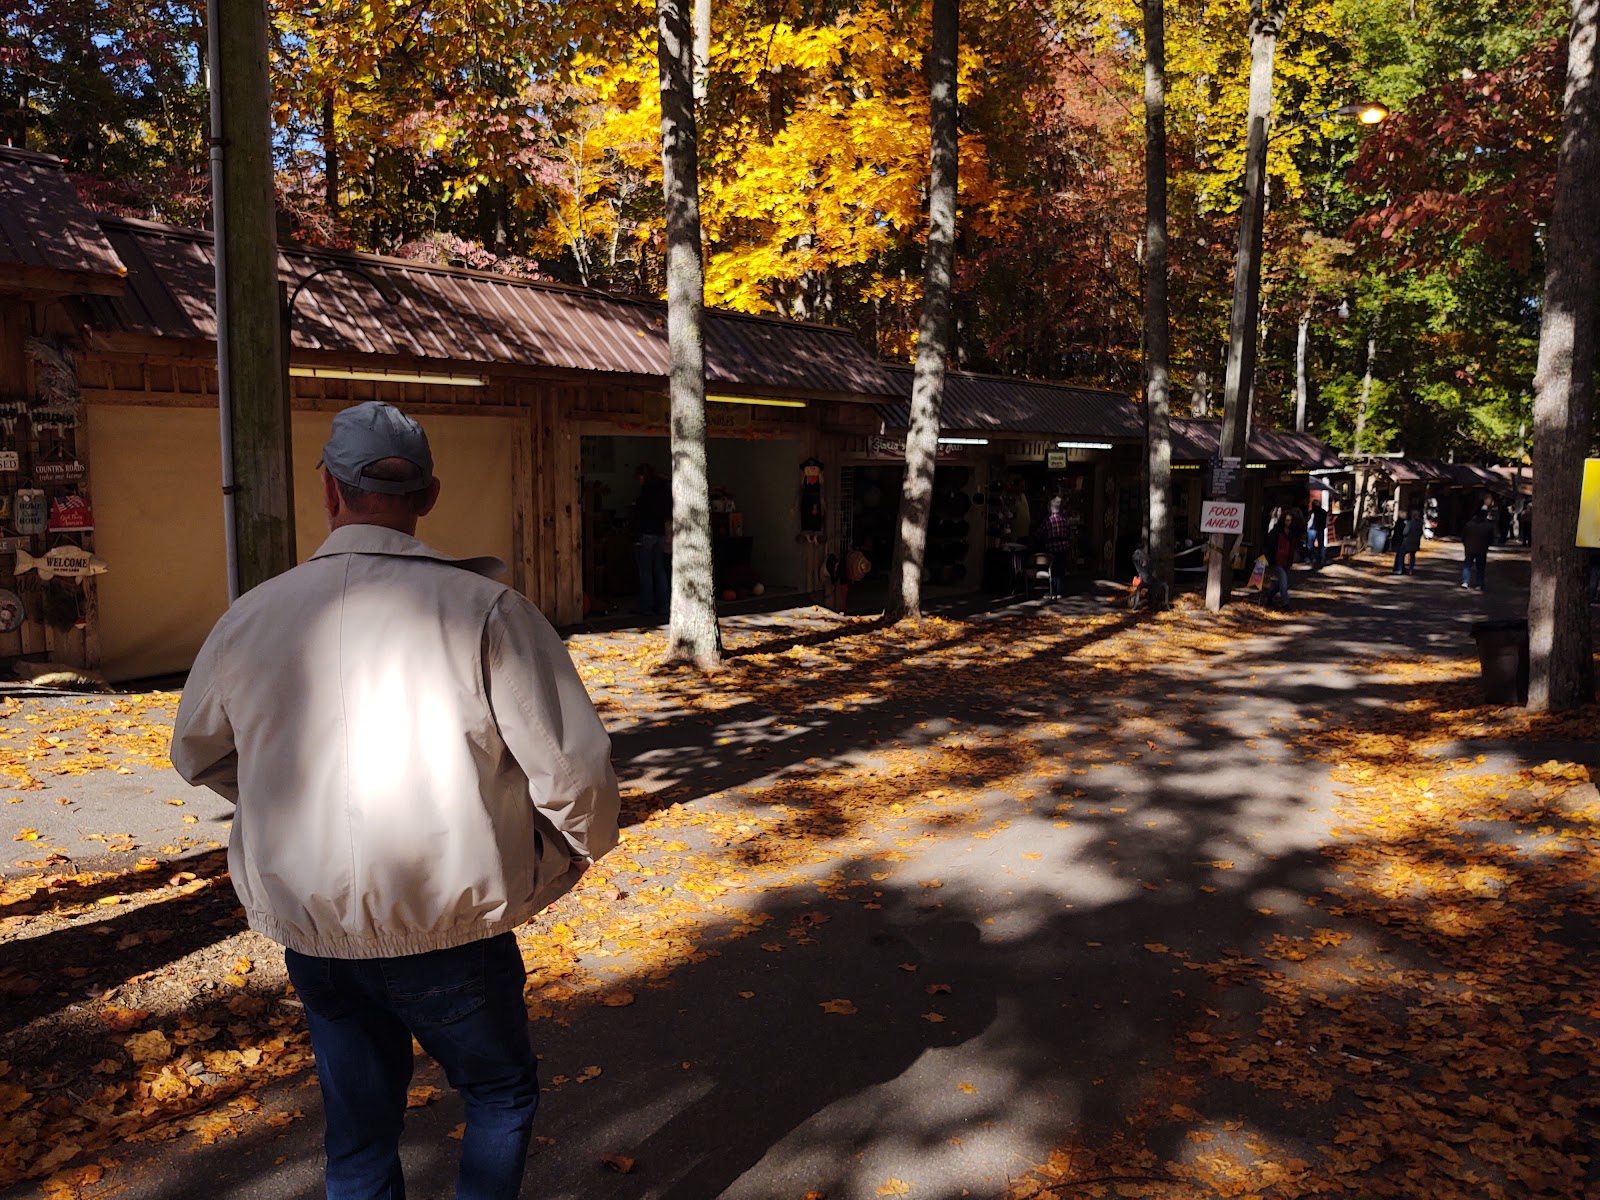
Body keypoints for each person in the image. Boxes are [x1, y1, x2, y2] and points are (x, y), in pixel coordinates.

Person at [171, 401, 621, 1200]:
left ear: (328, 493)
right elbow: (576, 776)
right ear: (430, 495)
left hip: (318, 934)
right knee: (498, 1092)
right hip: (451, 928)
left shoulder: (250, 618)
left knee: (358, 1131)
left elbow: (196, 751)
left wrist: (280, 797)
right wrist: (563, 856)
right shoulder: (487, 611)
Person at [632, 462, 672, 617]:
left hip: (647, 533)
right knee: (659, 569)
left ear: (643, 476)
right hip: (660, 532)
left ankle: (646, 606)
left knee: (645, 572)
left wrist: (636, 534)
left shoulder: (646, 493)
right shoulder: (663, 489)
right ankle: (664, 605)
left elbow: (641, 514)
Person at [1037, 495, 1074, 599]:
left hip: (1052, 548)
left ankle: (1052, 592)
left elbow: (1039, 532)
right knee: (1061, 570)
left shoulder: (1048, 520)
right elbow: (1069, 533)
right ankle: (1060, 592)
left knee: (1052, 570)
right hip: (1063, 547)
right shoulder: (1064, 519)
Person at [1267, 514, 1298, 607]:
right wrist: (1270, 558)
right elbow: (1270, 545)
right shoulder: (1276, 531)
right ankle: (1285, 603)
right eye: (1287, 520)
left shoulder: (1291, 533)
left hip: (1286, 560)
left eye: (1290, 520)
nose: (1288, 522)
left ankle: (1270, 595)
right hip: (1276, 560)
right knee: (1284, 580)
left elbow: (1293, 546)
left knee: (1283, 582)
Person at [1461, 507, 1494, 589]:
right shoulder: (1488, 526)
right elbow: (1491, 539)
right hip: (1482, 548)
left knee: (1467, 565)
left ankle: (1465, 581)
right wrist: (1487, 545)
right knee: (1480, 567)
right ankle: (1479, 583)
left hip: (1469, 548)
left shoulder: (1468, 524)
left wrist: (1465, 544)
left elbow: (1463, 536)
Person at [1399, 507, 1424, 574]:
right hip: (1415, 542)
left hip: (1407, 541)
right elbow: (1421, 532)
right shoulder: (1420, 523)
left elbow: (1405, 532)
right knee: (1412, 556)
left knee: (1402, 554)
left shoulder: (1410, 523)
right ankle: (1411, 569)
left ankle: (1400, 568)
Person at [1305, 497, 1328, 568]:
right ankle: (1322, 559)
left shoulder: (1312, 512)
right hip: (1320, 529)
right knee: (1321, 546)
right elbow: (1325, 521)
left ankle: (1313, 559)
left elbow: (1308, 521)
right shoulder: (1324, 512)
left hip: (1312, 529)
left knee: (1310, 546)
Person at [1390, 509, 1409, 575]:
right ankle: (1400, 569)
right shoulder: (1402, 524)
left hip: (1397, 540)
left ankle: (1397, 568)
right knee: (1401, 555)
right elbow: (1404, 532)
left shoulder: (1399, 523)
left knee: (1399, 555)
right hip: (1401, 541)